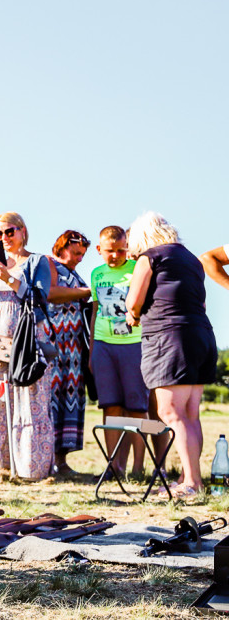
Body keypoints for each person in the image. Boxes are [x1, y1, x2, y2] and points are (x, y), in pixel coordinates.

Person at [125, 212, 217, 499]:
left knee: (170, 413)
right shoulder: (190, 259)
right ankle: (191, 479)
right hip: (200, 334)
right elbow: (199, 299)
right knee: (190, 413)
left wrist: (132, 316)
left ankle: (191, 483)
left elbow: (134, 301)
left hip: (169, 338)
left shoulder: (149, 257)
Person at [0, 212, 55, 481]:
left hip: (27, 339)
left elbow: (41, 298)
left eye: (9, 232)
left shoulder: (36, 261)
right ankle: (2, 466)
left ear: (22, 231)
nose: (4, 238)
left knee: (30, 400)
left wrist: (9, 278)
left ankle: (32, 468)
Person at [89, 226, 148, 477]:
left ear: (128, 249)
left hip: (135, 343)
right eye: (110, 251)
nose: (115, 256)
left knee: (137, 407)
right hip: (104, 344)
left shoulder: (138, 269)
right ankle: (113, 467)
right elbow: (94, 311)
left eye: (121, 250)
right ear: (99, 249)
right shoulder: (96, 273)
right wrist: (92, 348)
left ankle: (138, 468)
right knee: (110, 407)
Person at [47, 231, 93, 477]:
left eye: (82, 255)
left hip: (74, 349)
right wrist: (87, 292)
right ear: (61, 247)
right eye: (75, 253)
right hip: (53, 344)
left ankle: (61, 461)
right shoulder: (49, 264)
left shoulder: (75, 274)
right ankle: (46, 460)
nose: (79, 258)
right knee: (51, 399)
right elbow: (51, 293)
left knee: (69, 401)